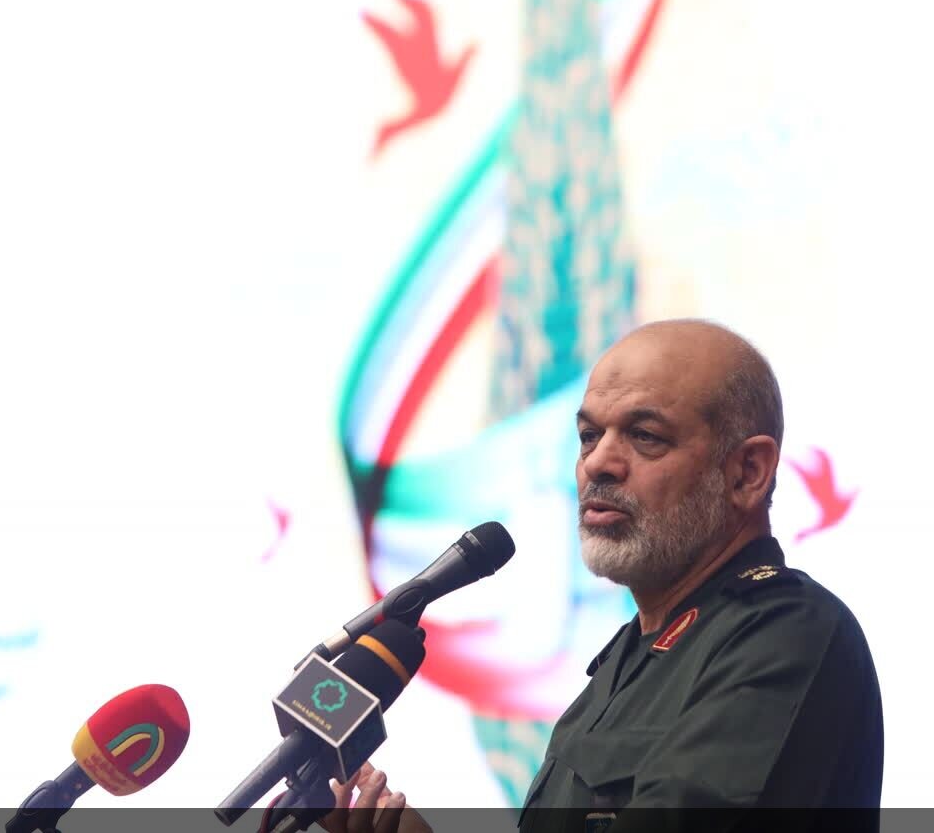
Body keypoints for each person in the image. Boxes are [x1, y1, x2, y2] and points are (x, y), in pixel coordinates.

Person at [325, 319, 883, 832]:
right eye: (589, 436)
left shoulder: (785, 634)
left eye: (646, 436)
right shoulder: (627, 658)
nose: (598, 463)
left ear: (747, 472)